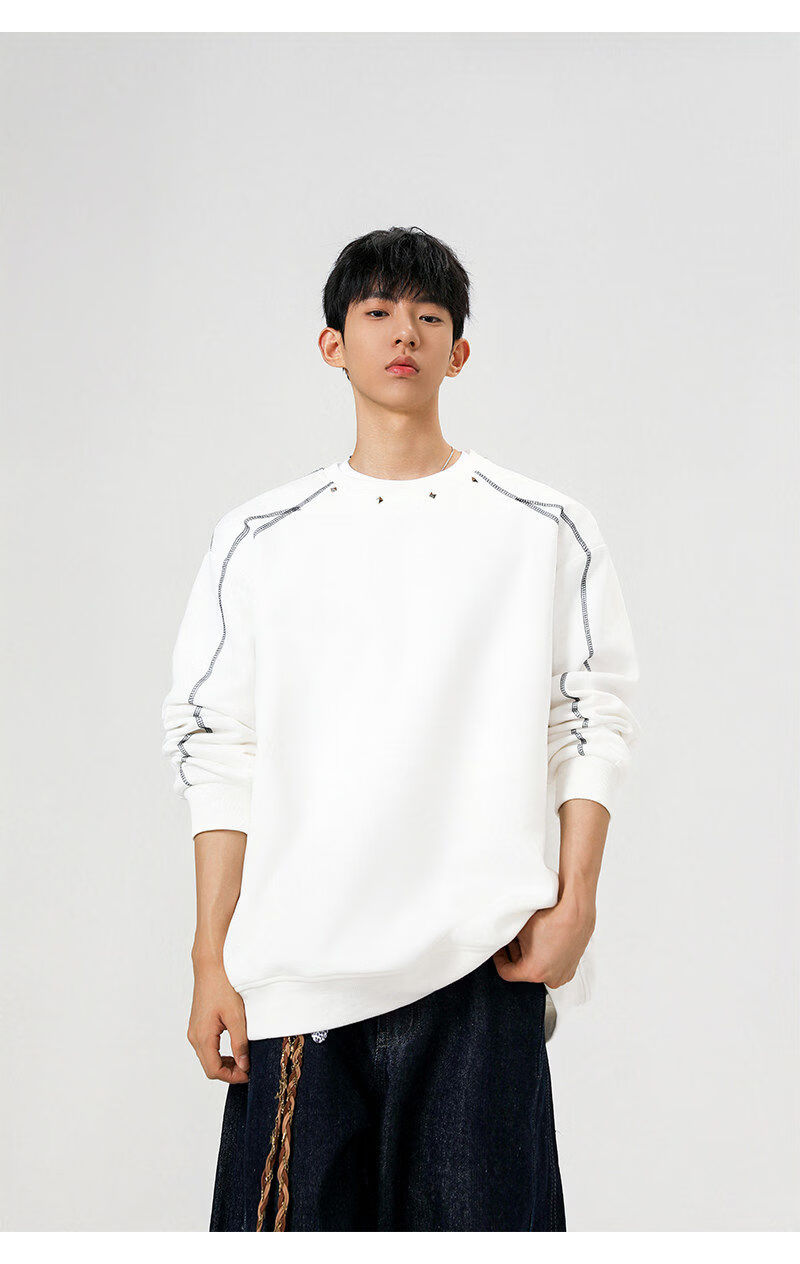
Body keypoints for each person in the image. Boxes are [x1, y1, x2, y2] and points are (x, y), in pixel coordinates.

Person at [161, 225, 641, 1232]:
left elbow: (590, 715)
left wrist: (577, 901)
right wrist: (210, 957)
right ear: (332, 343)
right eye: (377, 311)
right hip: (300, 969)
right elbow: (217, 747)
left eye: (428, 316)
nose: (403, 333)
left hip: (479, 963)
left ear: (458, 352)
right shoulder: (261, 537)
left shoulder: (542, 525)